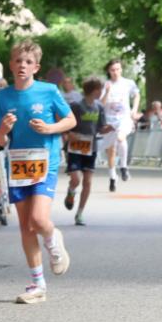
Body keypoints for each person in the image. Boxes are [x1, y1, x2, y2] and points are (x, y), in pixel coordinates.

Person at [0, 41, 75, 304]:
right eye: (17, 61)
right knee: (26, 227)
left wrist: (50, 129)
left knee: (38, 221)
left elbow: (71, 120)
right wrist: (4, 130)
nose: (22, 66)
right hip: (17, 165)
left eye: (27, 62)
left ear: (36, 67)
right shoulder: (2, 97)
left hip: (45, 163)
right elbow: (0, 141)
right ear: (11, 64)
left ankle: (53, 238)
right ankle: (37, 284)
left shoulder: (49, 91)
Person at [63, 77, 112, 226]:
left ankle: (79, 213)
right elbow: (65, 123)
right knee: (76, 179)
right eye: (99, 89)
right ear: (94, 90)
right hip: (75, 146)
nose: (101, 92)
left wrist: (109, 128)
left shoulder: (99, 107)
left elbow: (101, 128)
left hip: (91, 147)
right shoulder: (76, 105)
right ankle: (71, 191)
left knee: (88, 182)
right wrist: (68, 134)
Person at [97, 58, 140, 191]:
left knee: (121, 138)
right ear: (109, 71)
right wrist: (108, 92)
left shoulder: (128, 83)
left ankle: (123, 167)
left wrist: (134, 109)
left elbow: (137, 95)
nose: (115, 72)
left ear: (121, 70)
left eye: (117, 69)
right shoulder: (106, 84)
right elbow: (101, 104)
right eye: (112, 70)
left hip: (124, 118)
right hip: (110, 120)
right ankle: (112, 178)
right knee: (111, 151)